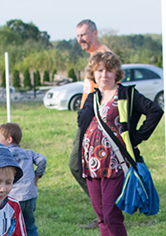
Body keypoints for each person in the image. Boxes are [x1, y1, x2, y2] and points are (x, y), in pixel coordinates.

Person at [77, 52, 163, 236]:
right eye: (99, 70)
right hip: (91, 164)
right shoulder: (92, 98)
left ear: (117, 72)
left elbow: (155, 111)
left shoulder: (126, 94)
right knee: (101, 216)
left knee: (111, 212)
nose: (104, 74)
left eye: (108, 69)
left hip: (115, 162)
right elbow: (82, 124)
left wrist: (136, 137)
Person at [68, 19, 113, 198]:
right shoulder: (94, 55)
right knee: (87, 165)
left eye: (84, 35)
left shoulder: (104, 55)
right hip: (88, 117)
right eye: (78, 36)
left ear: (95, 33)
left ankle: (105, 206)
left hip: (97, 119)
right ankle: (105, 207)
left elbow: (112, 88)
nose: (80, 39)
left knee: (78, 164)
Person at [0, 122, 47, 236]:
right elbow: (42, 159)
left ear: (9, 139)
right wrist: (37, 176)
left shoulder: (4, 154)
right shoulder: (28, 153)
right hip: (30, 196)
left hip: (13, 199)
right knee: (30, 225)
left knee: (9, 228)